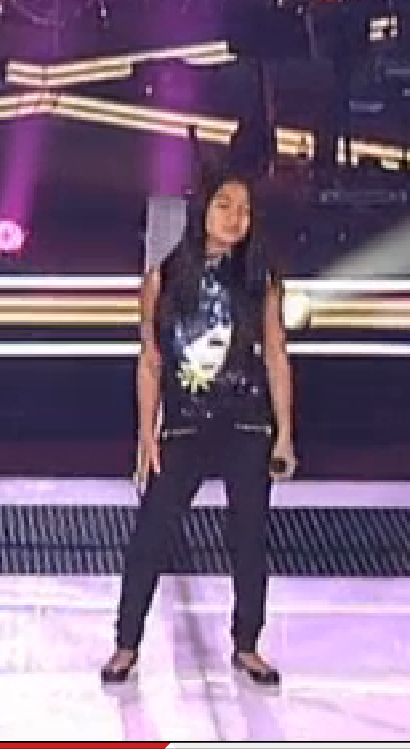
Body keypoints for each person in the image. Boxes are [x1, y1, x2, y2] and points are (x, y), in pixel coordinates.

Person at [101, 172, 297, 686]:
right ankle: (126, 642)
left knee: (249, 537)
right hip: (184, 425)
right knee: (151, 533)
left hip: (247, 421)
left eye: (245, 210)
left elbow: (276, 355)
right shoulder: (164, 279)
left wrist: (284, 432)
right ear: (203, 211)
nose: (236, 219)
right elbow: (151, 360)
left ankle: (247, 643)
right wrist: (146, 434)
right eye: (225, 206)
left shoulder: (261, 278)